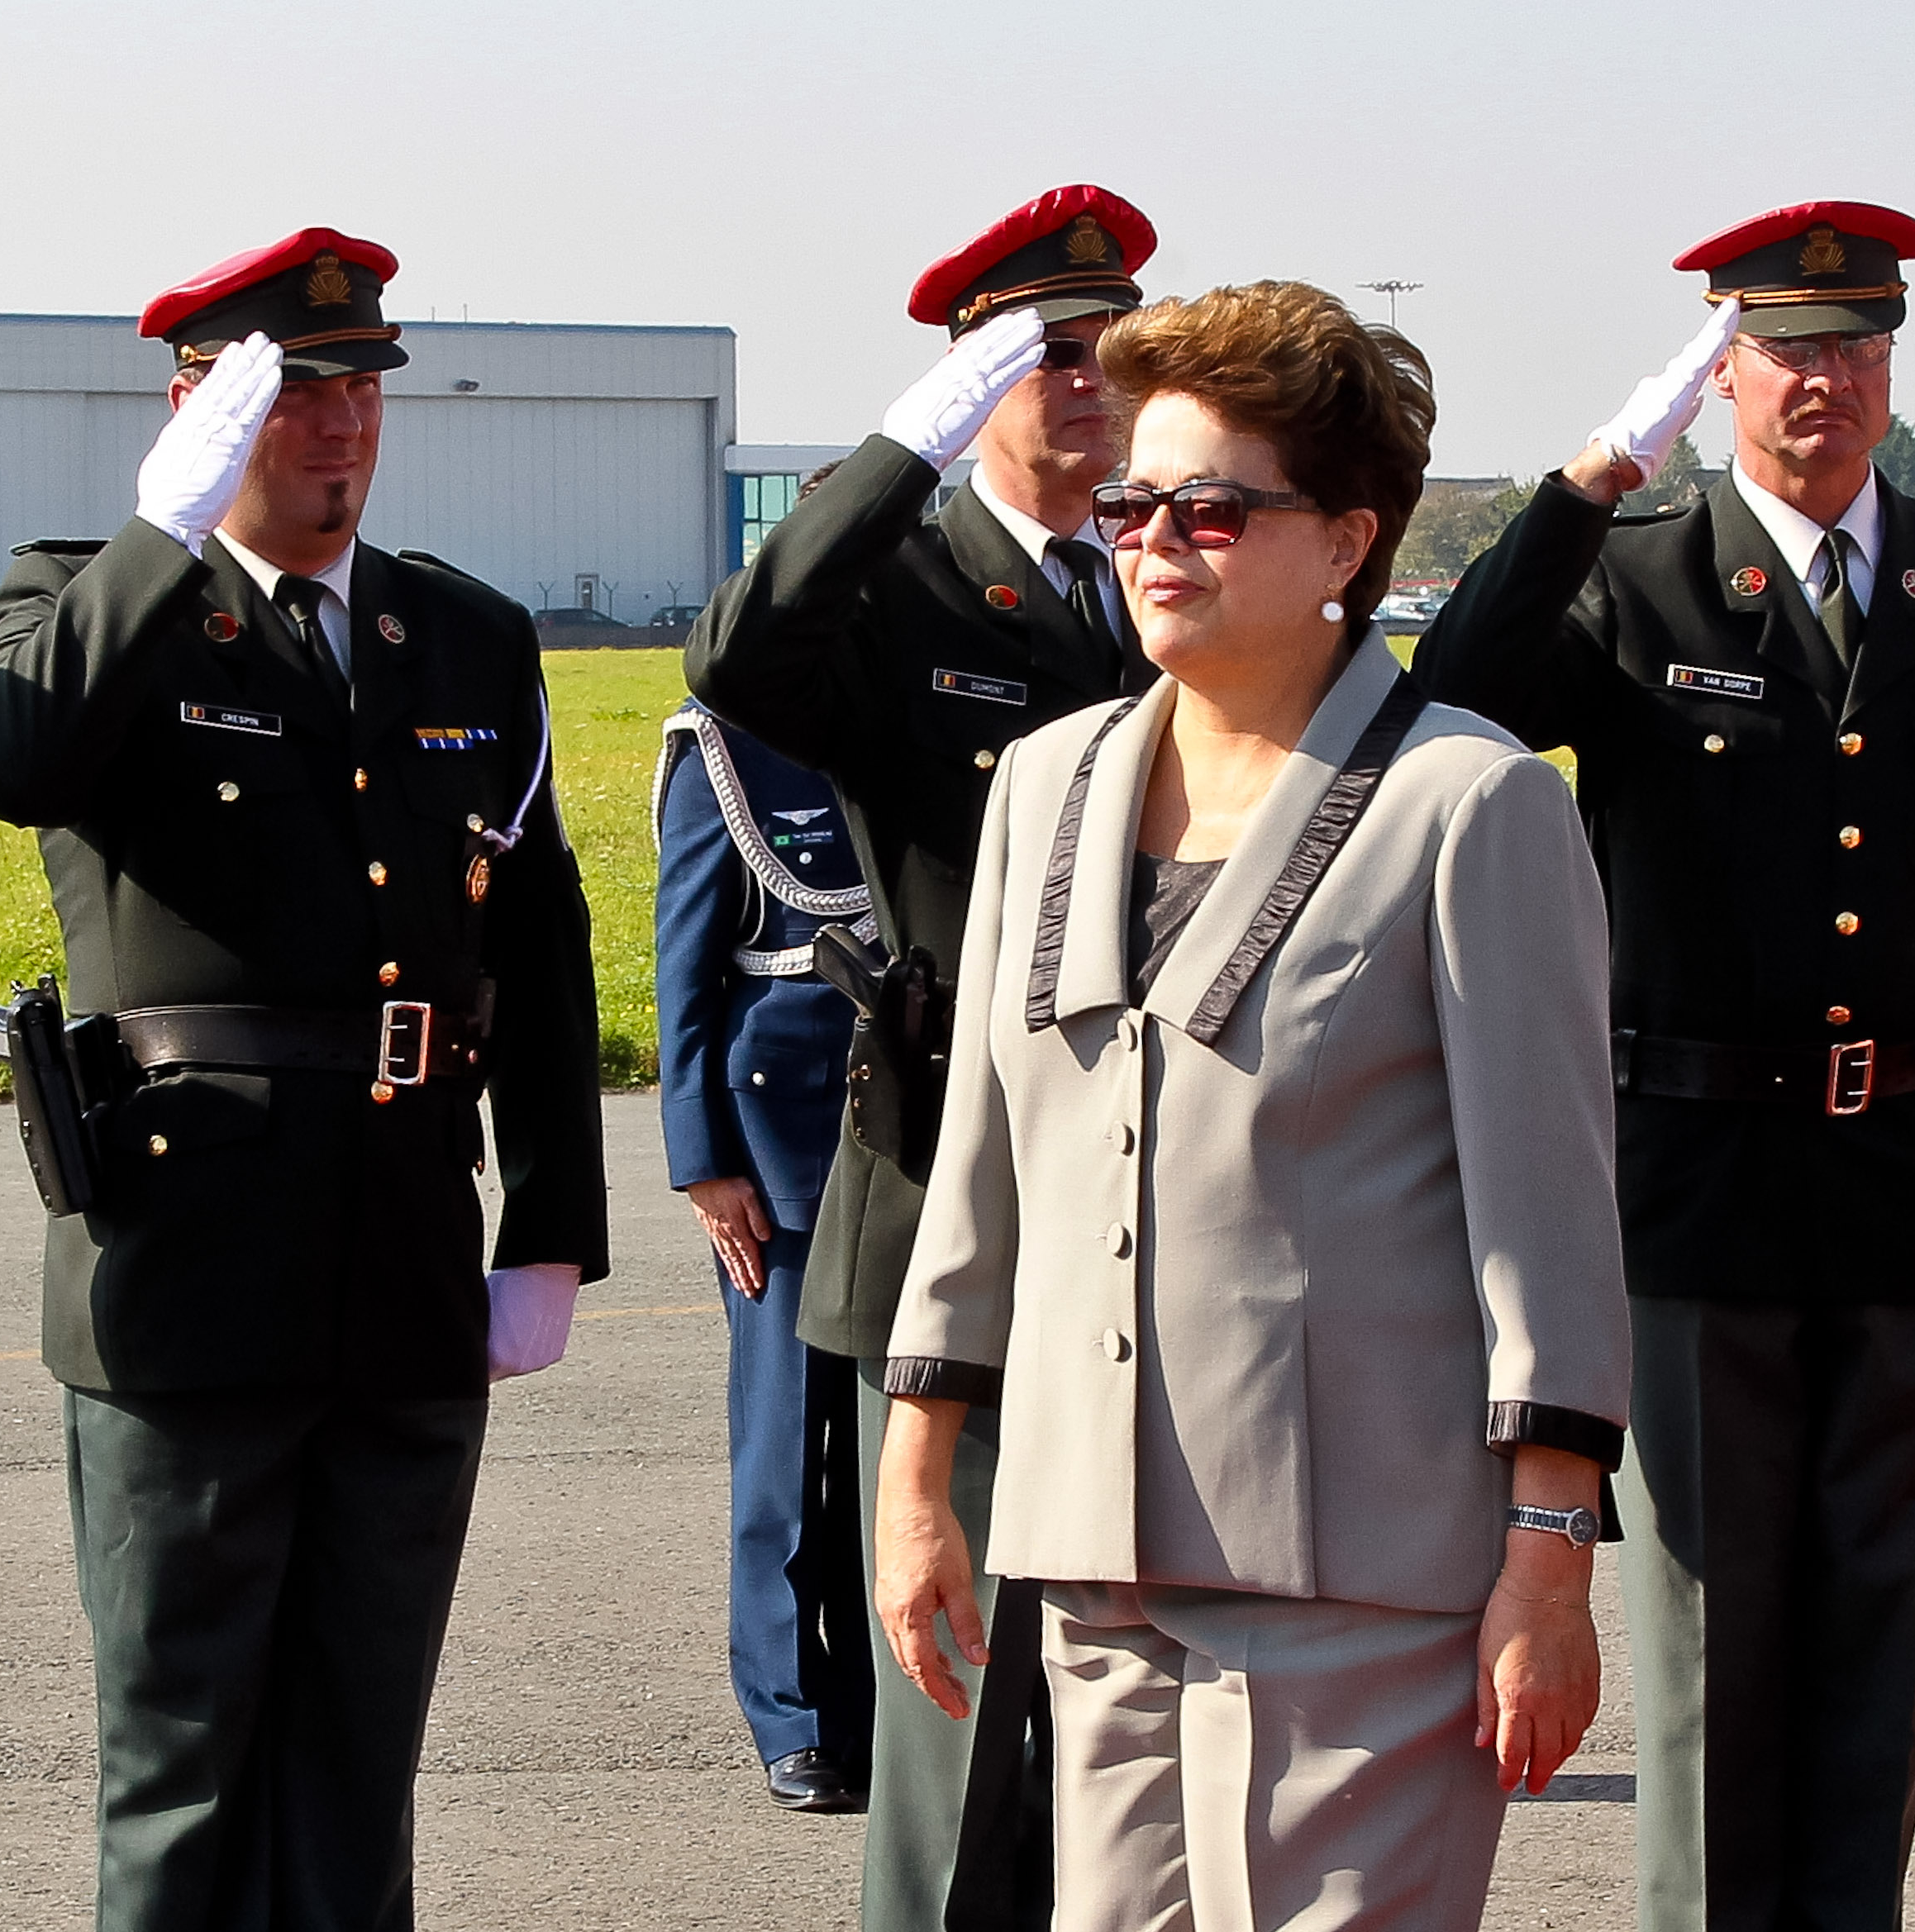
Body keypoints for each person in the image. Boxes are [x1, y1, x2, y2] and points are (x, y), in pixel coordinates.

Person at [875, 279, 1632, 1926]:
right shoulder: (1046, 779)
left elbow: (1548, 1225)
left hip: (1365, 1570)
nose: (1156, 540)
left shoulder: (1468, 800)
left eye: (1211, 509)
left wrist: (1548, 1555)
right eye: (1131, 504)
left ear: (1346, 541)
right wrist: (916, 1475)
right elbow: (982, 1164)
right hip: (1092, 1549)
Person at [0, 227, 610, 1932]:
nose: (342, 423)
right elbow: (14, 763)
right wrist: (158, 536)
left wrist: (549, 1219)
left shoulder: (459, 633)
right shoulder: (88, 603)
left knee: (357, 1754)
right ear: (198, 407)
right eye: (296, 391)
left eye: (360, 387)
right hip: (188, 1259)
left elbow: (536, 931)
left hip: (402, 1246)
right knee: (181, 1761)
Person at [1413, 200, 1915, 1928]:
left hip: (1912, 1188)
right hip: (1694, 1188)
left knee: (1882, 1637)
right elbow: (1455, 695)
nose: (1825, 379)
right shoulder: (1636, 570)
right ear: (1719, 371)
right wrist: (1588, 481)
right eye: (1785, 348)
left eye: (1857, 343)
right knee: (1714, 1644)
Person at [686, 183, 1159, 1931]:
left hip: (1157, 1189)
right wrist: (909, 445)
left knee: (1131, 1714)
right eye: (1052, 352)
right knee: (961, 1708)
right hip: (965, 1178)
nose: (1095, 379)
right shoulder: (902, 583)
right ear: (976, 378)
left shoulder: (1166, 573)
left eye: (1116, 345)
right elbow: (742, 659)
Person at [654, 687, 878, 1811]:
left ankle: (887, 1702)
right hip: (778, 1123)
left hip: (916, 1118)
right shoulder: (725, 747)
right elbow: (684, 961)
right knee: (789, 1437)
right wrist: (702, 1159)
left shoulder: (918, 711)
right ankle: (793, 1714)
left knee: (897, 1432)